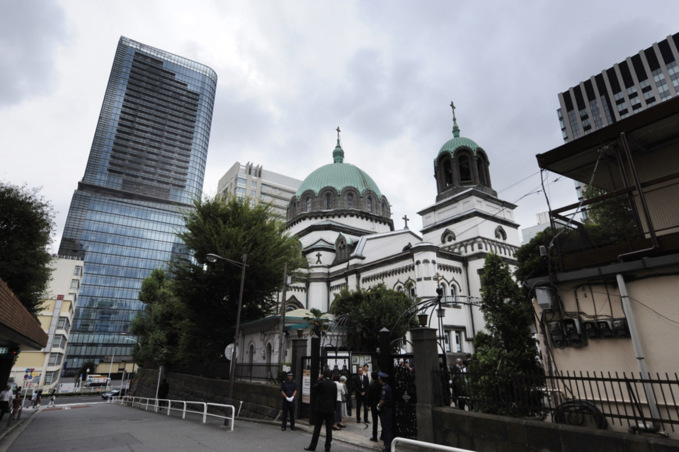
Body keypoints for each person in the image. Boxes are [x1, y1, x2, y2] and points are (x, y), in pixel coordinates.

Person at [305, 370, 337, 452]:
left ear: (323, 375)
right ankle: (327, 447)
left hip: (320, 409)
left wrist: (319, 379)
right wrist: (334, 409)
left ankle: (313, 446)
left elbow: (314, 388)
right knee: (329, 429)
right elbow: (335, 398)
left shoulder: (321, 383)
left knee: (317, 429)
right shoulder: (334, 385)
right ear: (331, 376)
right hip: (330, 409)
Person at [377, 372, 393, 452]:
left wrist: (378, 406)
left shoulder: (384, 388)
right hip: (388, 410)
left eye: (380, 378)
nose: (379, 380)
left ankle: (387, 447)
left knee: (386, 428)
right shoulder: (388, 387)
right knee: (388, 428)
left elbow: (382, 400)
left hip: (385, 410)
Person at [367, 371, 381, 442]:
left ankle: (374, 436)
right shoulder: (381, 385)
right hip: (381, 404)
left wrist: (368, 405)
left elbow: (369, 396)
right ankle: (383, 435)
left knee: (375, 421)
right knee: (382, 420)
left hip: (373, 405)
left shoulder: (371, 385)